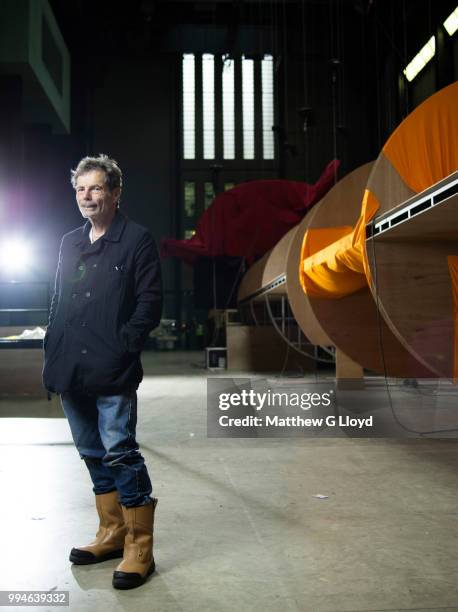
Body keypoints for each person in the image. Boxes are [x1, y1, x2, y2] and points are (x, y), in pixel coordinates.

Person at [42, 154, 162, 590]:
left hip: (112, 366)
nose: (86, 197)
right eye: (80, 189)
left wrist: (124, 347)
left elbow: (149, 304)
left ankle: (139, 548)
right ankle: (111, 533)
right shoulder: (69, 242)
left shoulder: (137, 241)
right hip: (70, 365)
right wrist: (51, 348)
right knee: (92, 453)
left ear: (114, 193)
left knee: (120, 452)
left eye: (95, 188)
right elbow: (58, 300)